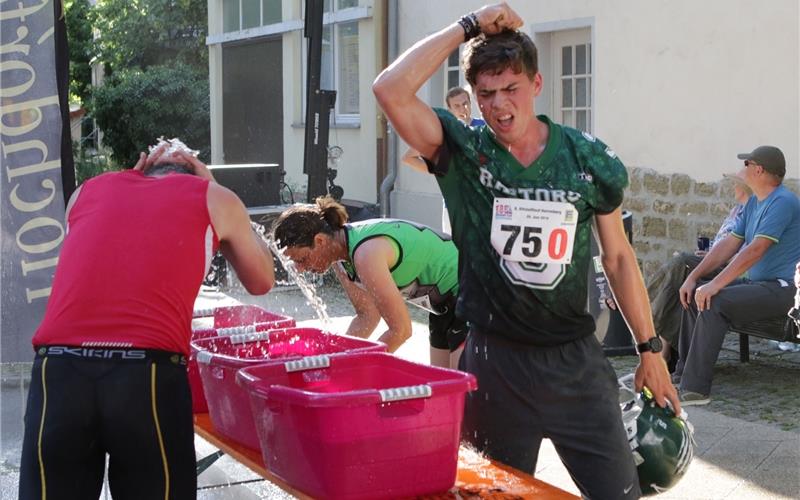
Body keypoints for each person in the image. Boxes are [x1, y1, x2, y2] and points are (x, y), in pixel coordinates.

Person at [373, 4, 677, 498]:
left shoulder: (586, 158)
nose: (498, 104)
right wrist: (468, 25)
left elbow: (618, 257)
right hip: (495, 365)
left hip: (575, 364)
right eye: (486, 93)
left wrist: (649, 348)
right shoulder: (462, 151)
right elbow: (389, 89)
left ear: (536, 86)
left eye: (511, 89)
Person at [18, 140, 276, 500]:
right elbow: (262, 280)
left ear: (141, 166)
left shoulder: (86, 192)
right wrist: (216, 186)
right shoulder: (213, 196)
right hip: (146, 375)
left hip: (59, 371)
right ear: (196, 172)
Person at [272, 196, 466, 368]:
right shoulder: (341, 256)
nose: (300, 269)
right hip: (443, 307)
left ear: (320, 240)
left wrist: (355, 369)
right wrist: (334, 358)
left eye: (302, 259)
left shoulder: (366, 255)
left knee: (467, 397)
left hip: (472, 292)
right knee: (449, 393)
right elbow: (367, 316)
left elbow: (401, 330)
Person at [674, 145, 800, 405]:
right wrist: (694, 278)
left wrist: (715, 286)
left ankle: (695, 390)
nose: (742, 169)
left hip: (783, 289)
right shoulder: (755, 201)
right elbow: (729, 245)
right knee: (695, 293)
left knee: (713, 301)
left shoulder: (784, 202)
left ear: (759, 169)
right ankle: (682, 374)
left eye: (746, 164)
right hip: (760, 285)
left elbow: (754, 250)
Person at [634, 172, 752, 369]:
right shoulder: (736, 210)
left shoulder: (753, 211)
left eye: (736, 184)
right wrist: (708, 253)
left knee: (681, 262)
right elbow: (723, 244)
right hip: (713, 260)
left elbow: (745, 253)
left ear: (745, 187)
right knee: (677, 292)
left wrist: (712, 257)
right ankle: (662, 355)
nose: (732, 187)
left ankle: (642, 306)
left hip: (727, 268)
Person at [402, 87, 485, 234]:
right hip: (454, 205)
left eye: (465, 103)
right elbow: (409, 158)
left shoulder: (483, 128)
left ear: (471, 104)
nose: (463, 109)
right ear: (449, 110)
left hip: (481, 204)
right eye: (457, 106)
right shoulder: (442, 132)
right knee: (453, 252)